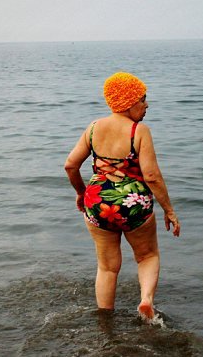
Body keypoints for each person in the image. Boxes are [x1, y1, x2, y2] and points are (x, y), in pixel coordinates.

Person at [65, 71, 180, 320]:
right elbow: (151, 176)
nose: (146, 104)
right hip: (133, 205)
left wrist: (80, 193)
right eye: (142, 99)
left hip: (96, 203)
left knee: (107, 267)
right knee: (147, 255)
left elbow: (70, 166)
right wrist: (169, 209)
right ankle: (146, 301)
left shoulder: (94, 128)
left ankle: (105, 320)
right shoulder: (139, 131)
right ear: (128, 102)